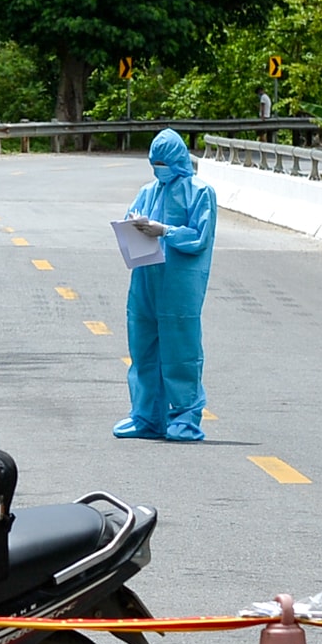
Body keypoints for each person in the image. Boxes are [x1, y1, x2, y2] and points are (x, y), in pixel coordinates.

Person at [116, 129, 217, 442]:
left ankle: (185, 417)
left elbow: (200, 237)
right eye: (154, 162)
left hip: (179, 286)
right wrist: (134, 224)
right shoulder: (149, 191)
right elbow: (131, 219)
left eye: (163, 162)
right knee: (143, 347)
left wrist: (166, 231)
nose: (158, 168)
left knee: (180, 351)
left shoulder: (200, 192)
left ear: (177, 159)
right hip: (145, 281)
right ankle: (146, 416)